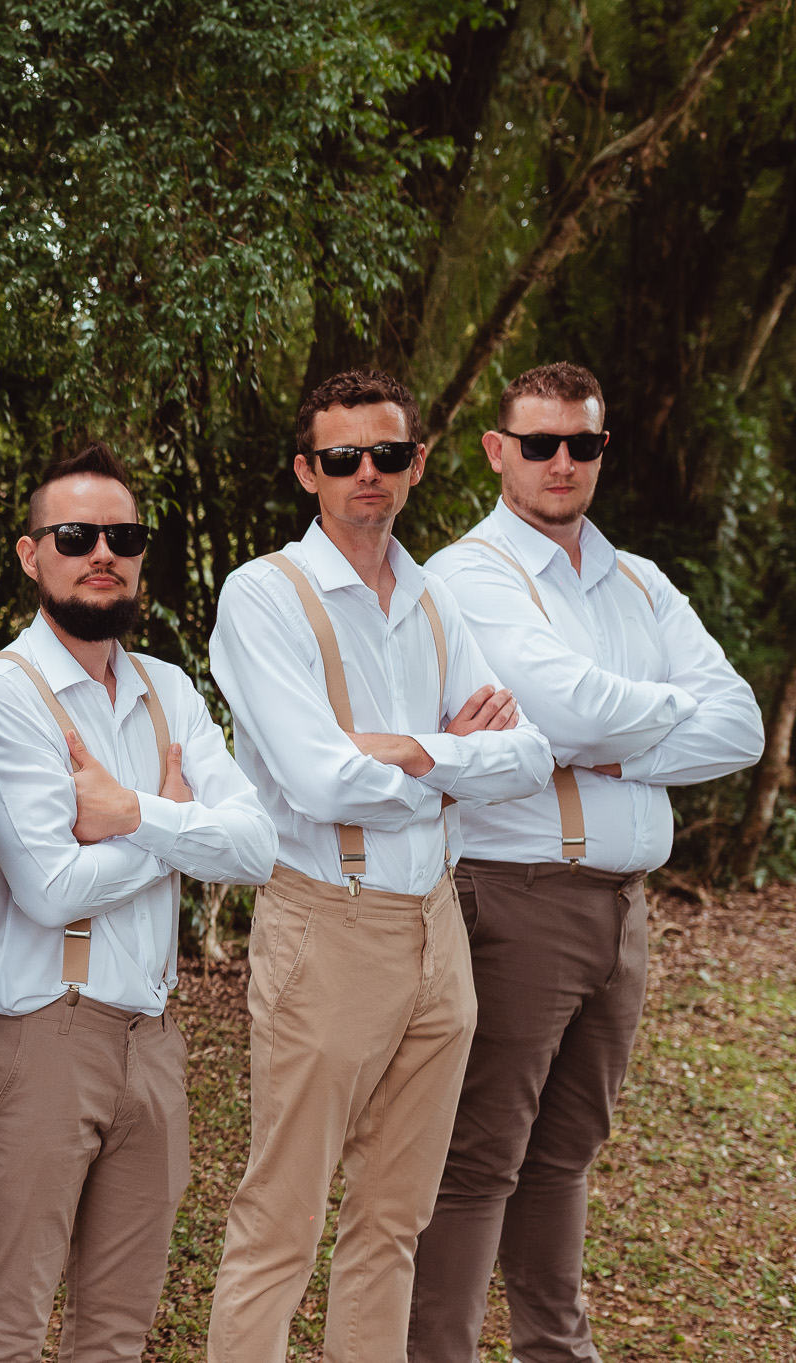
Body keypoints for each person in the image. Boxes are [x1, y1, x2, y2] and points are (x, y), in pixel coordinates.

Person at [410, 363, 763, 1362]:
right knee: (479, 1157)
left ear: (602, 449)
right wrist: (641, 717)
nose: (559, 461)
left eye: (581, 443)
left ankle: (555, 1353)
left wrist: (603, 743)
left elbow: (737, 723)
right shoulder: (470, 574)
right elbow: (568, 704)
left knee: (565, 1153)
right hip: (516, 898)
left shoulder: (638, 581)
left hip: (622, 908)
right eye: (538, 443)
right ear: (497, 451)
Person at [204, 369, 553, 1363]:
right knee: (281, 1220)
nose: (367, 472)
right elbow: (318, 778)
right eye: (343, 457)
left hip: (437, 929)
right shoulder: (265, 595)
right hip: (328, 922)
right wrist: (453, 760)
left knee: (395, 1220)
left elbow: (530, 756)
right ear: (306, 470)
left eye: (387, 453)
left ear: (417, 464)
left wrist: (404, 752)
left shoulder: (435, 597)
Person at [0, 442, 276, 1362]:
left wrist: (131, 813)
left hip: (154, 1041)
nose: (103, 552)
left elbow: (257, 848)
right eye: (75, 535)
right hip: (38, 1037)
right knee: (5, 1330)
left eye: (123, 537)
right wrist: (178, 829)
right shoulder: (1, 694)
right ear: (31, 554)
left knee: (118, 1335)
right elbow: (51, 887)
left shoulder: (168, 689)